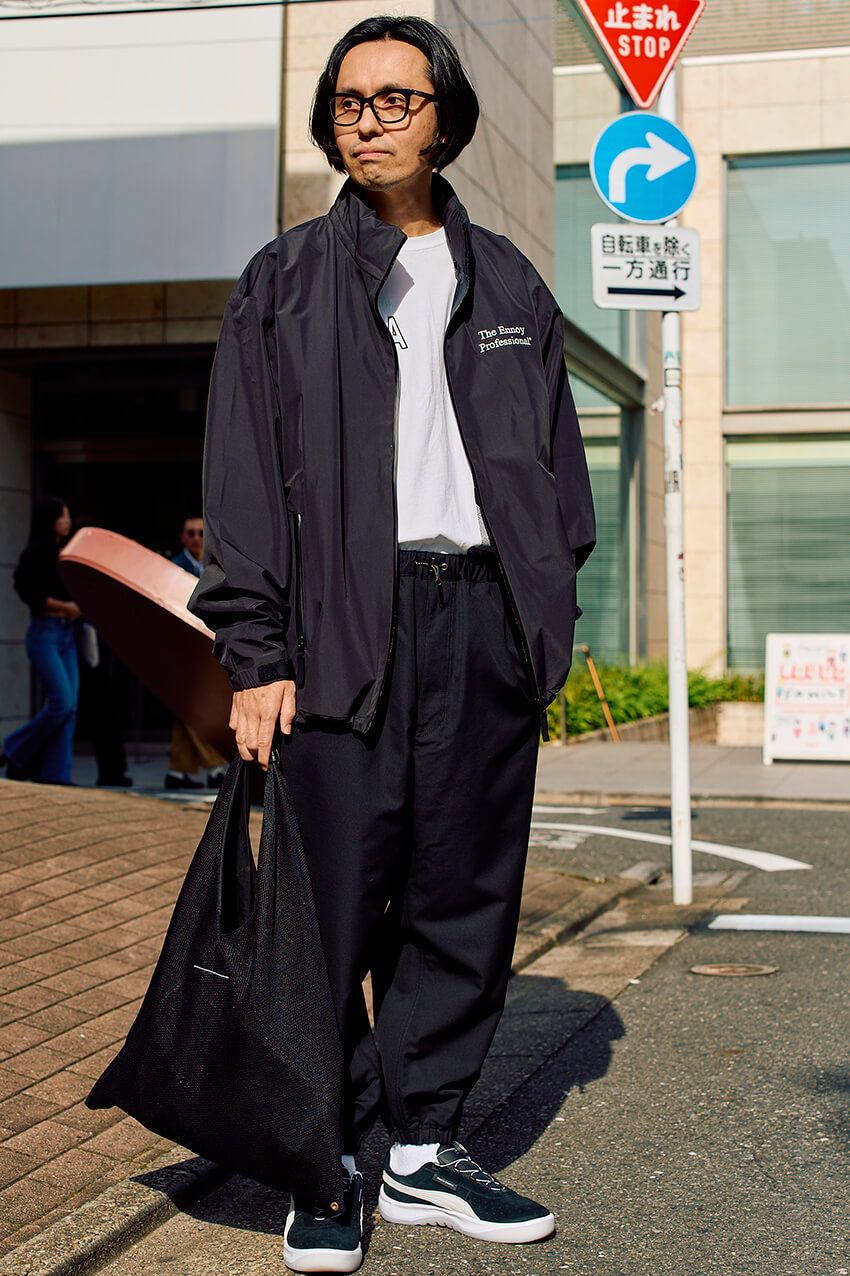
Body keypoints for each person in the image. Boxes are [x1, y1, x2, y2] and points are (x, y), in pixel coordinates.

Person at [187, 14, 595, 1272]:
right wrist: (257, 652)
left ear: (444, 114)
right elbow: (246, 479)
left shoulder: (511, 280)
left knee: (461, 893)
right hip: (341, 629)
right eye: (350, 100)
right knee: (330, 904)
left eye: (395, 97)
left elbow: (555, 475)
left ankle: (423, 1143)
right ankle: (330, 1154)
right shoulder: (286, 280)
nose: (370, 118)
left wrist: (541, 615)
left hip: (480, 619)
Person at [2, 496, 81, 785]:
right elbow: (26, 589)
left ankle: (56, 775)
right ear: (51, 519)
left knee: (69, 708)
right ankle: (13, 748)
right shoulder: (37, 551)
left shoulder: (65, 550)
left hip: (66, 634)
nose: (68, 521)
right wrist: (65, 607)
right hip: (45, 633)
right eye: (63, 516)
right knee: (62, 702)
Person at [164, 515, 229, 790]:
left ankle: (178, 772)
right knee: (192, 707)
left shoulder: (215, 566)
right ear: (182, 537)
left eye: (201, 533)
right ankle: (213, 765)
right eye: (190, 533)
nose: (196, 538)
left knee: (186, 708)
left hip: (208, 645)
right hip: (184, 647)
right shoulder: (172, 568)